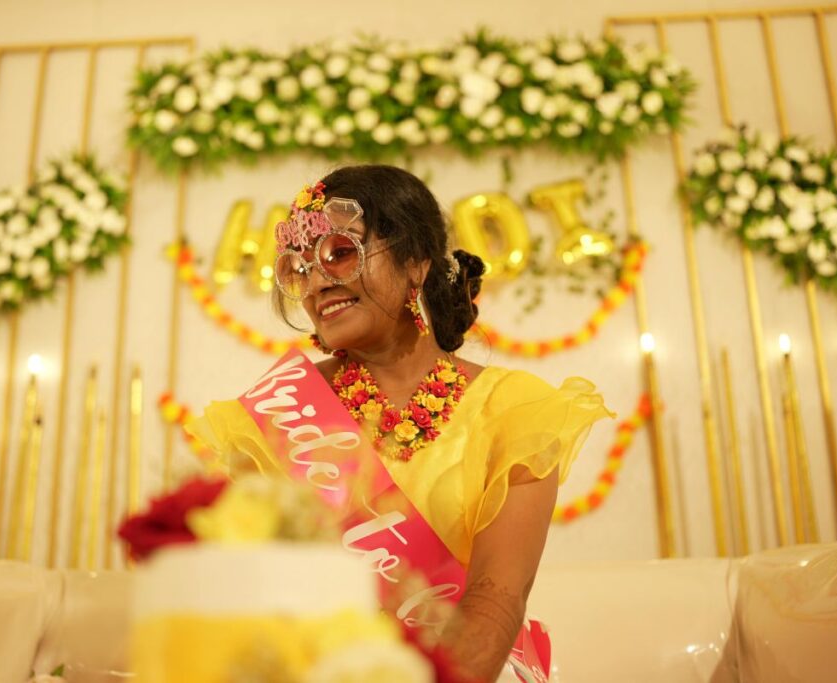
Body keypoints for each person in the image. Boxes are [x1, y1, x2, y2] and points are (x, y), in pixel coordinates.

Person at [187, 165, 615, 682]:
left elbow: (498, 597)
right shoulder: (270, 420)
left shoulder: (515, 411)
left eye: (340, 253)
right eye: (300, 267)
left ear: (415, 265)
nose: (318, 281)